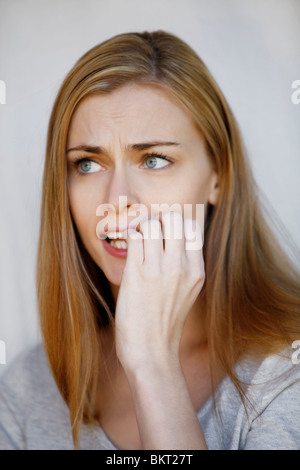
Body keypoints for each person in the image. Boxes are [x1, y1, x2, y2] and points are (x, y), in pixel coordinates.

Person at [0, 30, 299, 451]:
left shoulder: (287, 375)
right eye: (87, 164)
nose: (118, 201)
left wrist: (152, 363)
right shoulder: (25, 394)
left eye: (154, 159)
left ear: (218, 177)